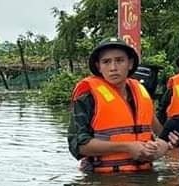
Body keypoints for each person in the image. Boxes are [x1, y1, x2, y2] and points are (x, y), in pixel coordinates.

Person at [67, 38, 170, 174]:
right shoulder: (87, 98)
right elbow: (78, 145)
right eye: (106, 62)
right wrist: (126, 147)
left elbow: (162, 135)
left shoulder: (141, 94)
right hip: (102, 179)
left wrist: (159, 148)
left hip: (144, 177)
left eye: (120, 60)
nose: (113, 68)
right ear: (98, 66)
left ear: (130, 63)